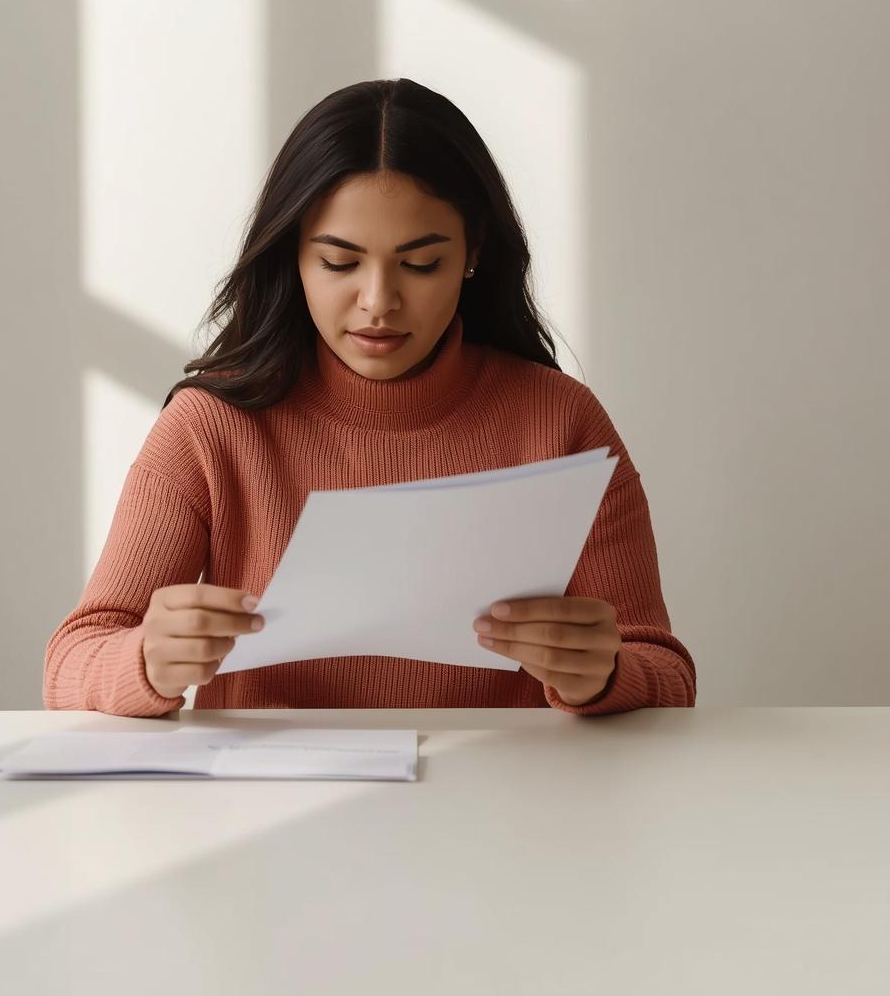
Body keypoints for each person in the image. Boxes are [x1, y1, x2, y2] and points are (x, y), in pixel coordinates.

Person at [43, 78, 696, 717]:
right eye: (339, 263)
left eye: (421, 264)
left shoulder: (562, 422)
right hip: (267, 785)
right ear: (293, 256)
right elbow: (71, 661)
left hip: (499, 787)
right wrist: (145, 659)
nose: (379, 302)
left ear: (473, 253)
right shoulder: (210, 426)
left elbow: (667, 673)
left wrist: (606, 675)